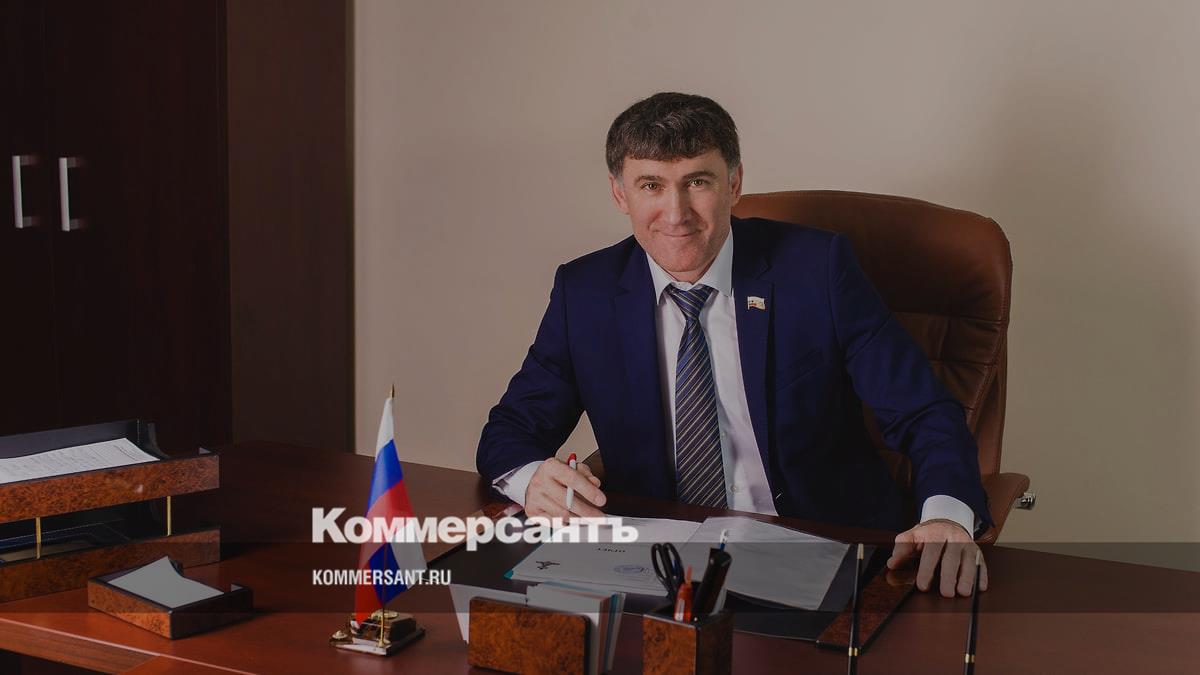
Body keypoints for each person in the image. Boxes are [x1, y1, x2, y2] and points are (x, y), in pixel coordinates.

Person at [477, 92, 989, 597]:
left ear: (735, 183)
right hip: (660, 565)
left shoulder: (817, 270)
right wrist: (532, 480)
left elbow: (925, 412)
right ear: (619, 194)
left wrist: (946, 517)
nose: (676, 213)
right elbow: (511, 430)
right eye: (651, 185)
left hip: (820, 552)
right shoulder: (585, 292)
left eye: (697, 182)